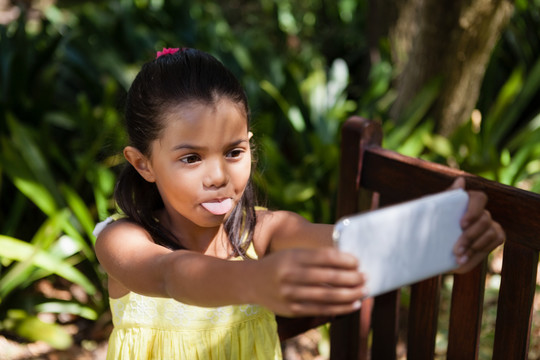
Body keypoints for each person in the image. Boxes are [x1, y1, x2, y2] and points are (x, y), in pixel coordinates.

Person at [94, 47, 505, 360]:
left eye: (234, 152)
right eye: (190, 158)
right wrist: (256, 281)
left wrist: (443, 239)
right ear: (143, 163)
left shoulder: (263, 231)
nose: (218, 176)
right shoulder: (123, 239)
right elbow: (171, 276)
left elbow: (350, 245)